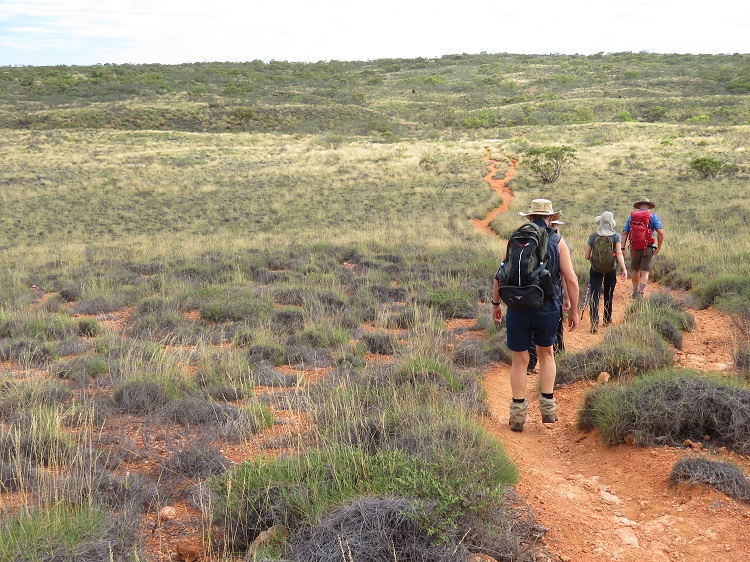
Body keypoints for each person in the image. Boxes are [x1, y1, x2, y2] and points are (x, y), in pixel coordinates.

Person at [492, 199, 579, 432]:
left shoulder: (516, 239)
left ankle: (517, 416)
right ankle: (548, 410)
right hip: (547, 308)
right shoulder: (558, 241)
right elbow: (571, 279)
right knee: (546, 354)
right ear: (550, 218)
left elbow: (500, 274)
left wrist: (496, 304)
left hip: (517, 307)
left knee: (519, 360)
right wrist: (574, 311)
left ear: (529, 217)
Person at [527, 219, 569, 374]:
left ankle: (530, 364)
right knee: (554, 331)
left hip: (527, 294)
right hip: (551, 296)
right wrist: (567, 298)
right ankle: (559, 357)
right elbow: (566, 276)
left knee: (530, 330)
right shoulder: (560, 242)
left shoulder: (524, 239)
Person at [584, 211, 628, 333]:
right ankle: (606, 319)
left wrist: (596, 258)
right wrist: (624, 269)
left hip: (595, 269)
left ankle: (594, 322)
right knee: (609, 294)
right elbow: (619, 253)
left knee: (595, 295)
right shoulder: (616, 236)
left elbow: (587, 256)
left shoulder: (593, 236)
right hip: (610, 269)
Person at [621, 197, 664, 299]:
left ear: (639, 206)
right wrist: (659, 247)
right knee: (645, 272)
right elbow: (660, 232)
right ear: (649, 206)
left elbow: (625, 232)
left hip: (634, 248)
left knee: (635, 270)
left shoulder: (631, 217)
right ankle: (640, 293)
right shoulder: (653, 217)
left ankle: (635, 292)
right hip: (648, 248)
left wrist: (622, 248)